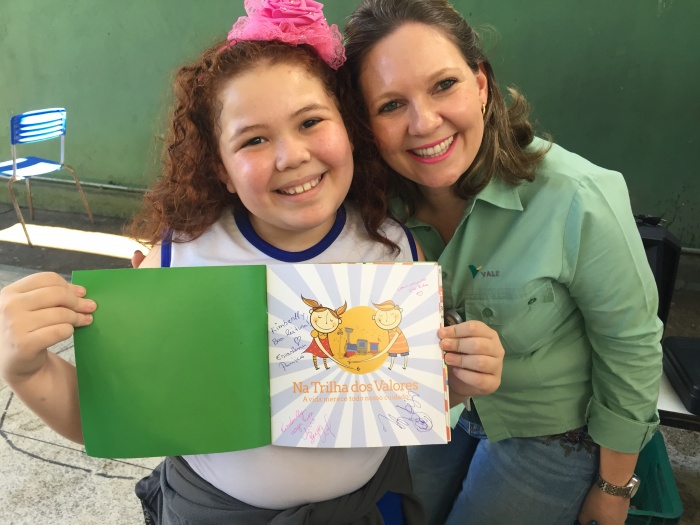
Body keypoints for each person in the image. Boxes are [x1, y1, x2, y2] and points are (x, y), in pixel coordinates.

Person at [0, 1, 505, 523]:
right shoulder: (181, 259)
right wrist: (25, 367)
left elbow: (405, 392)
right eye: (254, 139)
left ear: (348, 128)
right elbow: (107, 417)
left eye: (311, 121)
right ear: (220, 167)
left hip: (367, 508)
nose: (291, 156)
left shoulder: (393, 249)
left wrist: (457, 379)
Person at [339, 1, 664, 524]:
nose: (424, 123)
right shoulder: (370, 205)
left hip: (554, 429)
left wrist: (614, 487)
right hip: (442, 407)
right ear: (364, 123)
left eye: (444, 85)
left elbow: (631, 345)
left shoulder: (577, 197)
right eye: (391, 104)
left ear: (482, 85)